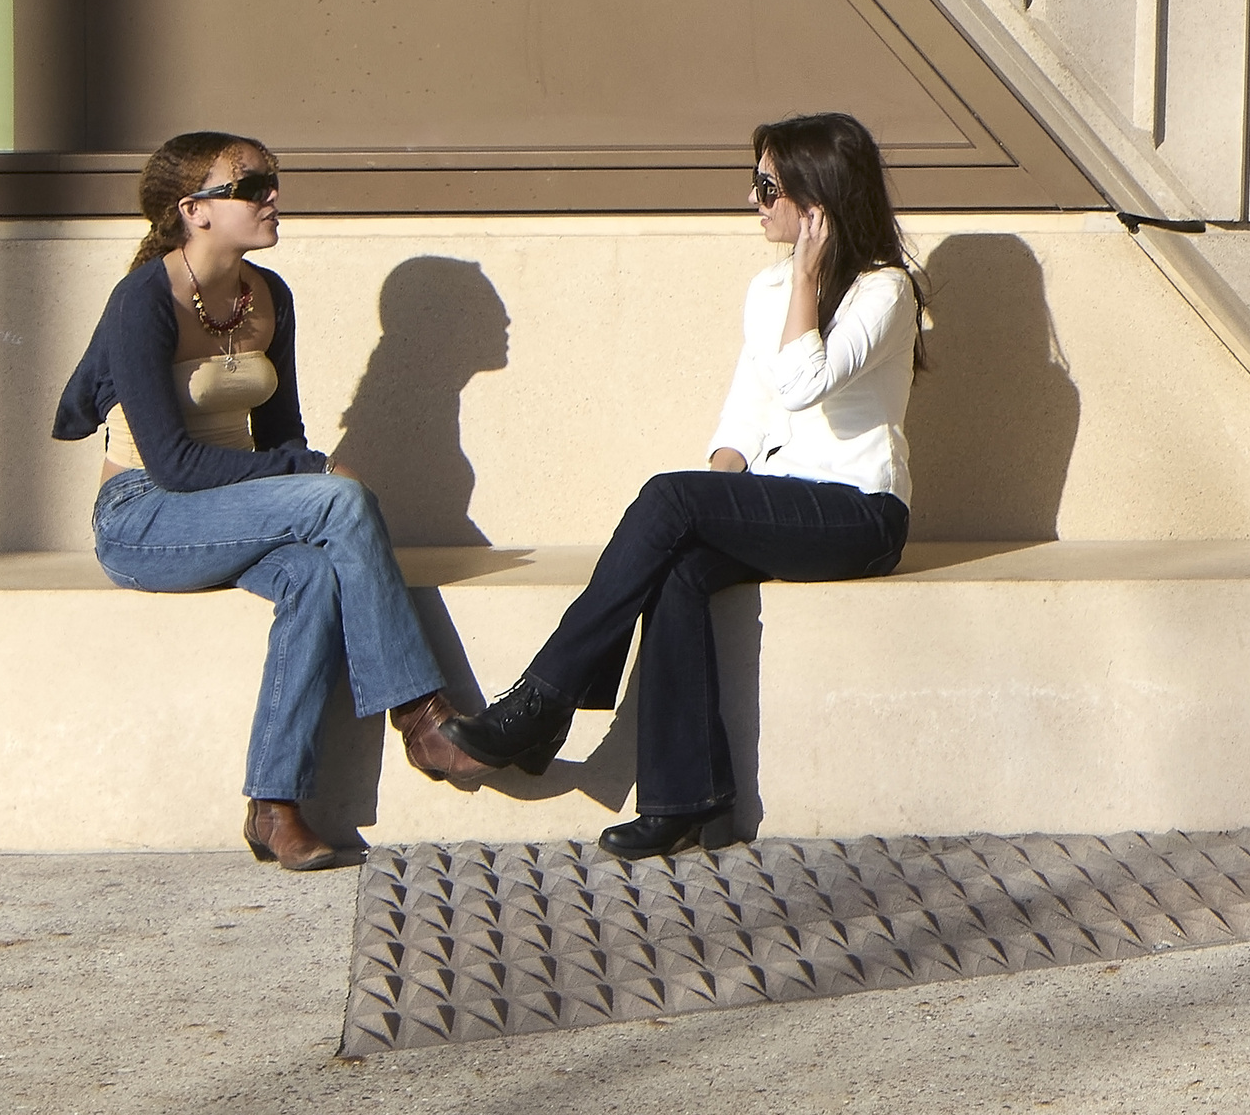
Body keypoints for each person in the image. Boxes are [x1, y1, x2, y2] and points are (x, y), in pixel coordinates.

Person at [415, 111, 922, 853]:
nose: (753, 202)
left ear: (816, 199)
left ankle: (538, 705)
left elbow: (804, 380)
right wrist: (707, 497)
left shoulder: (883, 290)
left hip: (860, 516)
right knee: (677, 560)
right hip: (780, 508)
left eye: (767, 186)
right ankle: (684, 800)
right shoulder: (768, 288)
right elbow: (745, 415)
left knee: (669, 495)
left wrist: (809, 280)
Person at [52, 132, 461, 868]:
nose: (272, 195)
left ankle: (273, 806)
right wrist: (310, 473)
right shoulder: (143, 302)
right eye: (250, 186)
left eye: (273, 180)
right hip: (146, 516)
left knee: (312, 574)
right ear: (194, 210)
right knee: (340, 501)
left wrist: (302, 469)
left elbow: (281, 432)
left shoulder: (268, 297)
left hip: (238, 505)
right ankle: (422, 715)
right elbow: (174, 467)